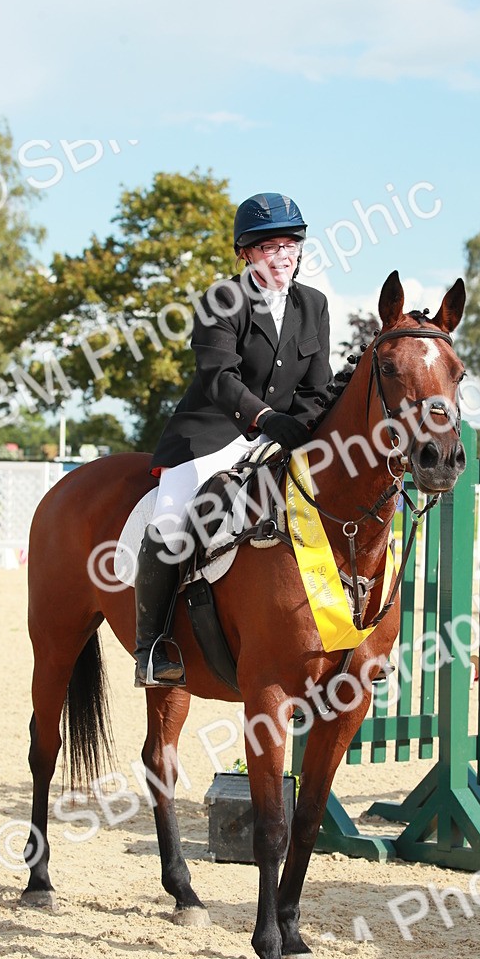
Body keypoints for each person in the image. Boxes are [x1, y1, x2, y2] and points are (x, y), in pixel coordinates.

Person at [133, 192, 332, 687]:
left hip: (280, 438)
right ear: (246, 253)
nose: (281, 256)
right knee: (173, 518)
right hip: (212, 433)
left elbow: (318, 386)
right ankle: (153, 648)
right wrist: (265, 418)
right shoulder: (222, 300)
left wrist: (299, 427)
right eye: (268, 247)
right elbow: (219, 378)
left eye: (289, 244)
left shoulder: (315, 305)